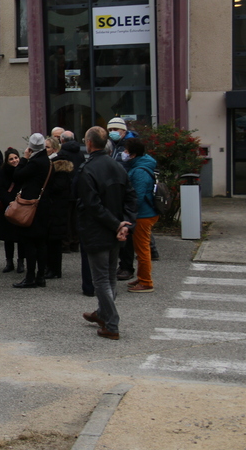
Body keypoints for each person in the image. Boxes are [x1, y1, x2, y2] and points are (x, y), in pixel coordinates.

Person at [78, 126, 137, 340]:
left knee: (101, 279)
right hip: (115, 231)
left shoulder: (89, 169)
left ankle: (111, 324)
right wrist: (125, 225)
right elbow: (131, 198)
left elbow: (92, 205)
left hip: (99, 231)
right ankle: (103, 314)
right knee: (109, 276)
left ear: (90, 143)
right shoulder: (118, 166)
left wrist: (118, 225)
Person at [12, 133, 53, 289]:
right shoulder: (48, 162)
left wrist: (24, 159)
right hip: (44, 204)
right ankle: (40, 275)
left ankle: (30, 277)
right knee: (41, 242)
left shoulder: (34, 162)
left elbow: (18, 175)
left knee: (29, 242)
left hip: (31, 205)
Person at [125, 137, 158, 293]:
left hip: (143, 214)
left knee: (142, 249)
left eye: (126, 151)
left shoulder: (138, 171)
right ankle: (142, 276)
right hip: (146, 212)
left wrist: (129, 213)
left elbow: (136, 196)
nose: (124, 153)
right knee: (141, 248)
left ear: (133, 154)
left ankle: (146, 281)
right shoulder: (144, 164)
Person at [44, 137, 75, 280]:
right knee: (51, 240)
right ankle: (50, 267)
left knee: (55, 241)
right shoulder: (52, 163)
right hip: (53, 207)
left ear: (54, 149)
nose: (45, 150)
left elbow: (59, 187)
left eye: (48, 147)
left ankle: (54, 269)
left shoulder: (59, 166)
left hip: (57, 207)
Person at [0, 147, 23, 274]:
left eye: (16, 158)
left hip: (21, 206)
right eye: (11, 159)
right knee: (8, 237)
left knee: (21, 237)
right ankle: (9, 261)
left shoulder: (23, 170)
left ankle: (21, 261)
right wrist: (9, 202)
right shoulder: (3, 172)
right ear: (6, 161)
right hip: (7, 207)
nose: (14, 160)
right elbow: (0, 188)